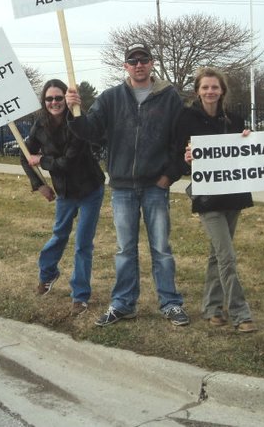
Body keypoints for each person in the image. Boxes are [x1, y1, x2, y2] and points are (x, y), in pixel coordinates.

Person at [65, 42, 189, 327]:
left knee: (161, 248)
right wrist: (76, 110)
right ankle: (123, 303)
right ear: (125, 66)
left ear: (151, 63)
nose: (138, 65)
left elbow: (180, 140)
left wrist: (168, 176)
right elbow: (91, 131)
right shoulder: (110, 98)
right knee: (125, 249)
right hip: (122, 188)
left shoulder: (169, 97)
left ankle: (170, 303)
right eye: (132, 61)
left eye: (143, 59)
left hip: (155, 187)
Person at [174, 67, 257, 333]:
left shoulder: (235, 120)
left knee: (217, 255)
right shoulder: (186, 119)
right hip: (207, 198)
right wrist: (186, 160)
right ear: (197, 90)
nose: (210, 92)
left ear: (222, 91)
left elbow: (246, 156)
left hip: (234, 195)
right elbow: (177, 156)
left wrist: (249, 139)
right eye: (205, 87)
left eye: (215, 87)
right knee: (227, 256)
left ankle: (211, 308)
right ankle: (240, 313)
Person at [21, 79, 106, 317]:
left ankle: (80, 295)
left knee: (82, 243)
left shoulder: (78, 122)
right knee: (59, 235)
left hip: (89, 189)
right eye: (49, 99)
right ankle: (47, 275)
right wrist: (39, 185)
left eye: (59, 98)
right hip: (64, 193)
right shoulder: (40, 125)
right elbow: (25, 156)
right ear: (44, 101)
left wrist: (42, 161)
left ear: (66, 100)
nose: (54, 102)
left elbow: (67, 162)